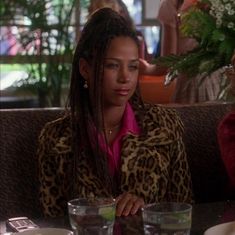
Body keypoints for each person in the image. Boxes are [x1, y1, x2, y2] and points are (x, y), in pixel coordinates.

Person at [38, 8, 193, 218]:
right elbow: (52, 222)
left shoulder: (164, 125)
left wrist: (144, 206)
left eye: (133, 67)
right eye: (112, 66)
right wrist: (101, 210)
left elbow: (183, 208)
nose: (125, 78)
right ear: (85, 69)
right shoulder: (56, 138)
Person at [140, 0, 221, 104]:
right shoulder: (221, 4)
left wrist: (146, 68)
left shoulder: (171, 4)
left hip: (192, 84)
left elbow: (167, 63)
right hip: (221, 82)